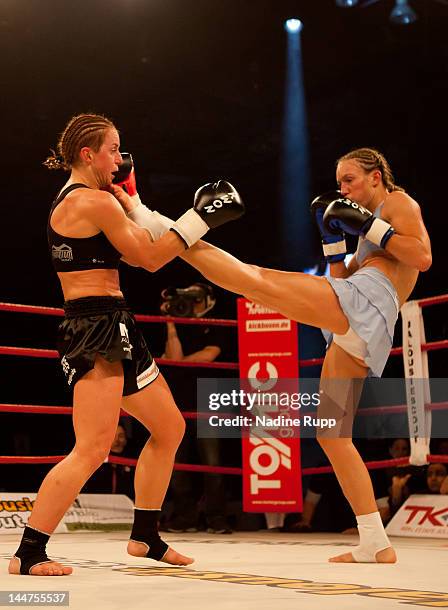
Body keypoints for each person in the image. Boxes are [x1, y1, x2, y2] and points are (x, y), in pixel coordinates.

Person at [9, 113, 244, 576]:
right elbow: (150, 258)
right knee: (93, 447)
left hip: (116, 322)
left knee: (169, 427)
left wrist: (132, 201)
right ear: (87, 154)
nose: (120, 158)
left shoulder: (100, 199)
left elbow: (141, 242)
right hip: (95, 325)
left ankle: (145, 535)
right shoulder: (90, 202)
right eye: (113, 150)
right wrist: (199, 218)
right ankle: (29, 552)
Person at [176, 147, 432, 563]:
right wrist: (334, 244)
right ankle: (375, 541)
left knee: (257, 281)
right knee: (332, 435)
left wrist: (369, 224)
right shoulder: (369, 227)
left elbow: (422, 257)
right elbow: (341, 278)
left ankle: (172, 232)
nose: (343, 189)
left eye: (349, 180)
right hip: (360, 318)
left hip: (368, 304)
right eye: (339, 183)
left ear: (375, 176)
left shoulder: (398, 203)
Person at [160, 284, 232, 534]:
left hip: (210, 398)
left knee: (212, 462)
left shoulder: (217, 323)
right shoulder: (177, 322)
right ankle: (185, 516)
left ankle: (216, 517)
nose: (193, 304)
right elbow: (172, 357)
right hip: (179, 400)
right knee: (178, 462)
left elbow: (209, 355)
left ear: (208, 301)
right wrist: (170, 324)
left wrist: (180, 363)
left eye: (197, 299)